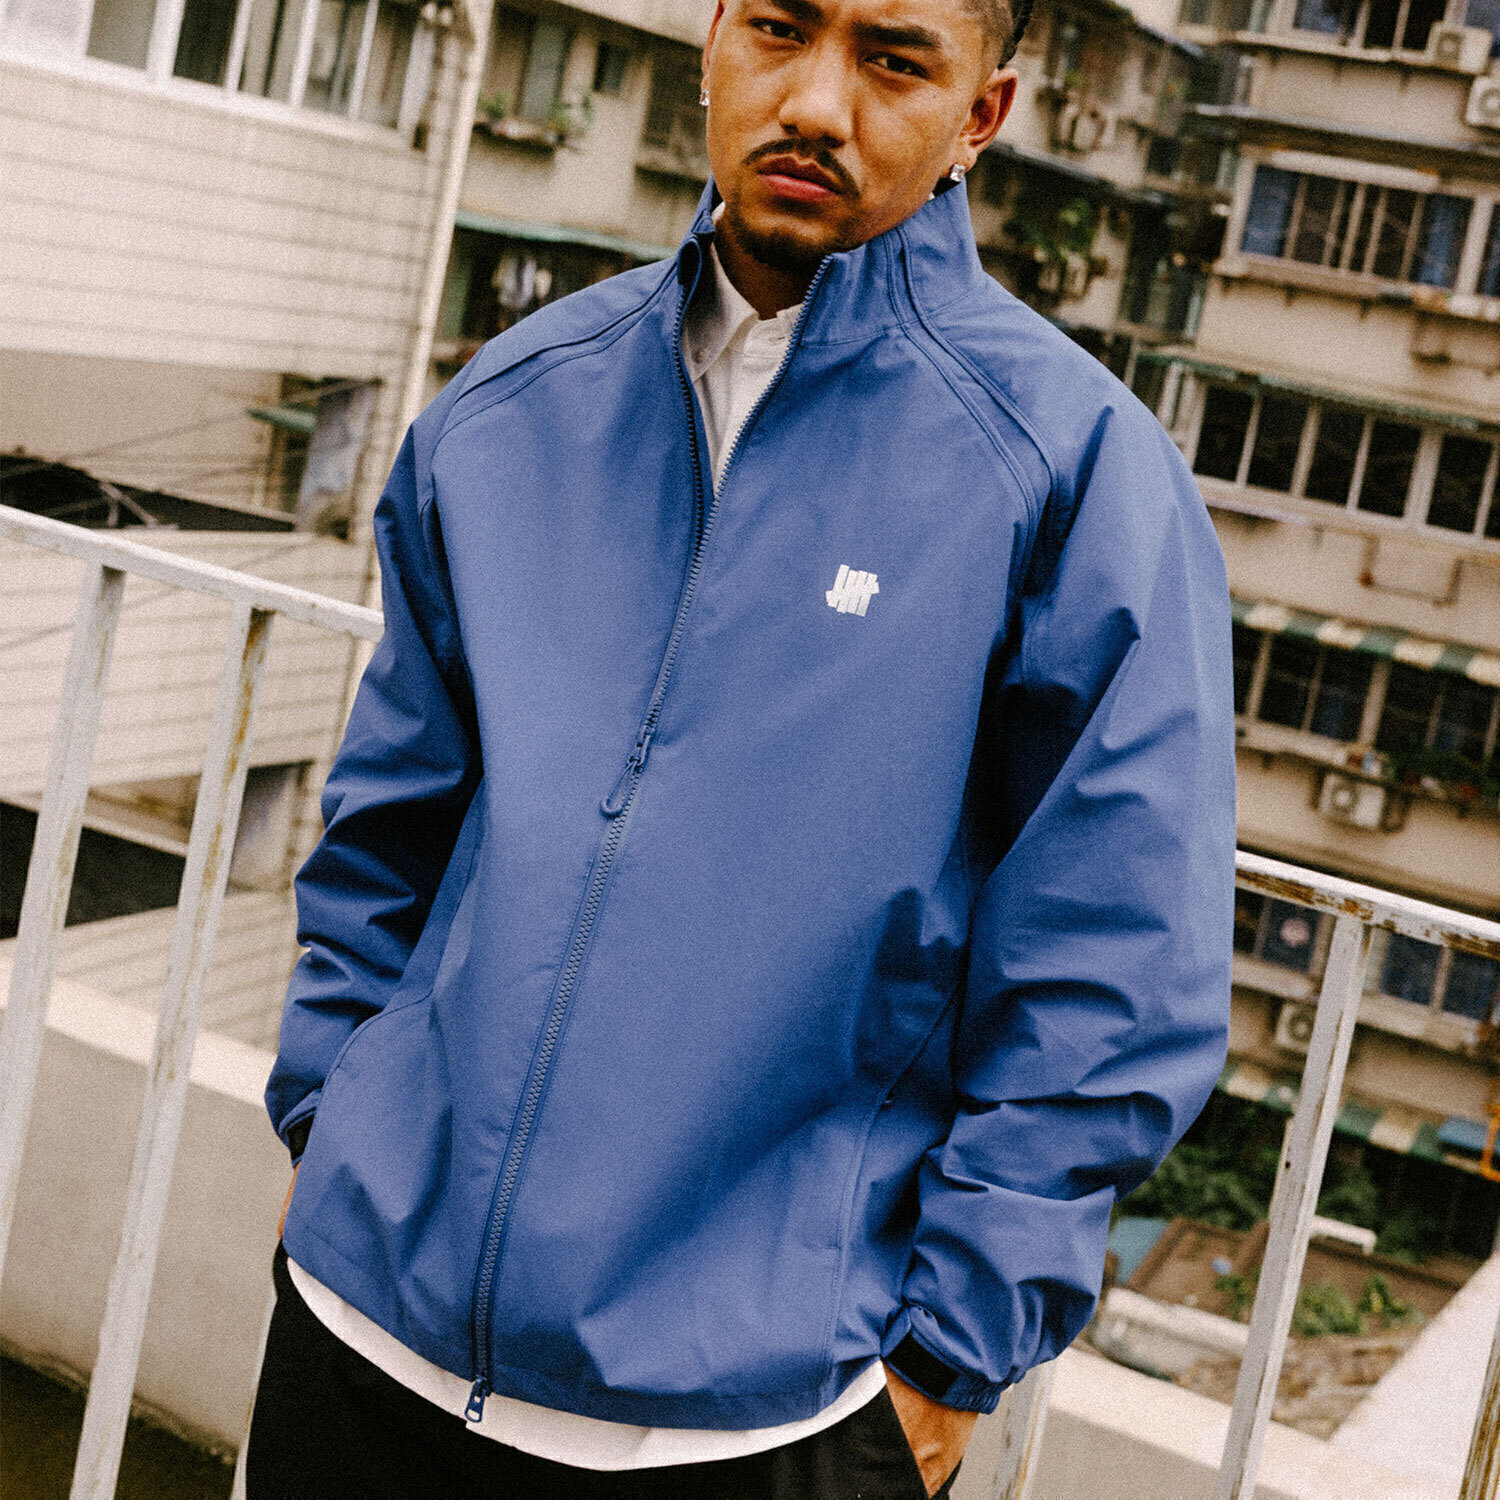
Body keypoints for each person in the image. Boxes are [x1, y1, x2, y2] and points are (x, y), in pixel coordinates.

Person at [248, 0, 1236, 1494]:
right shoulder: (515, 405)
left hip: (753, 1423)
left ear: (981, 115)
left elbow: (1115, 958)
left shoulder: (1075, 477)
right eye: (779, 27)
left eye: (894, 59)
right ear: (713, 37)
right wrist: (328, 1123)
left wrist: (949, 1352)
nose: (819, 104)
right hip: (359, 1342)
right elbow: (386, 827)